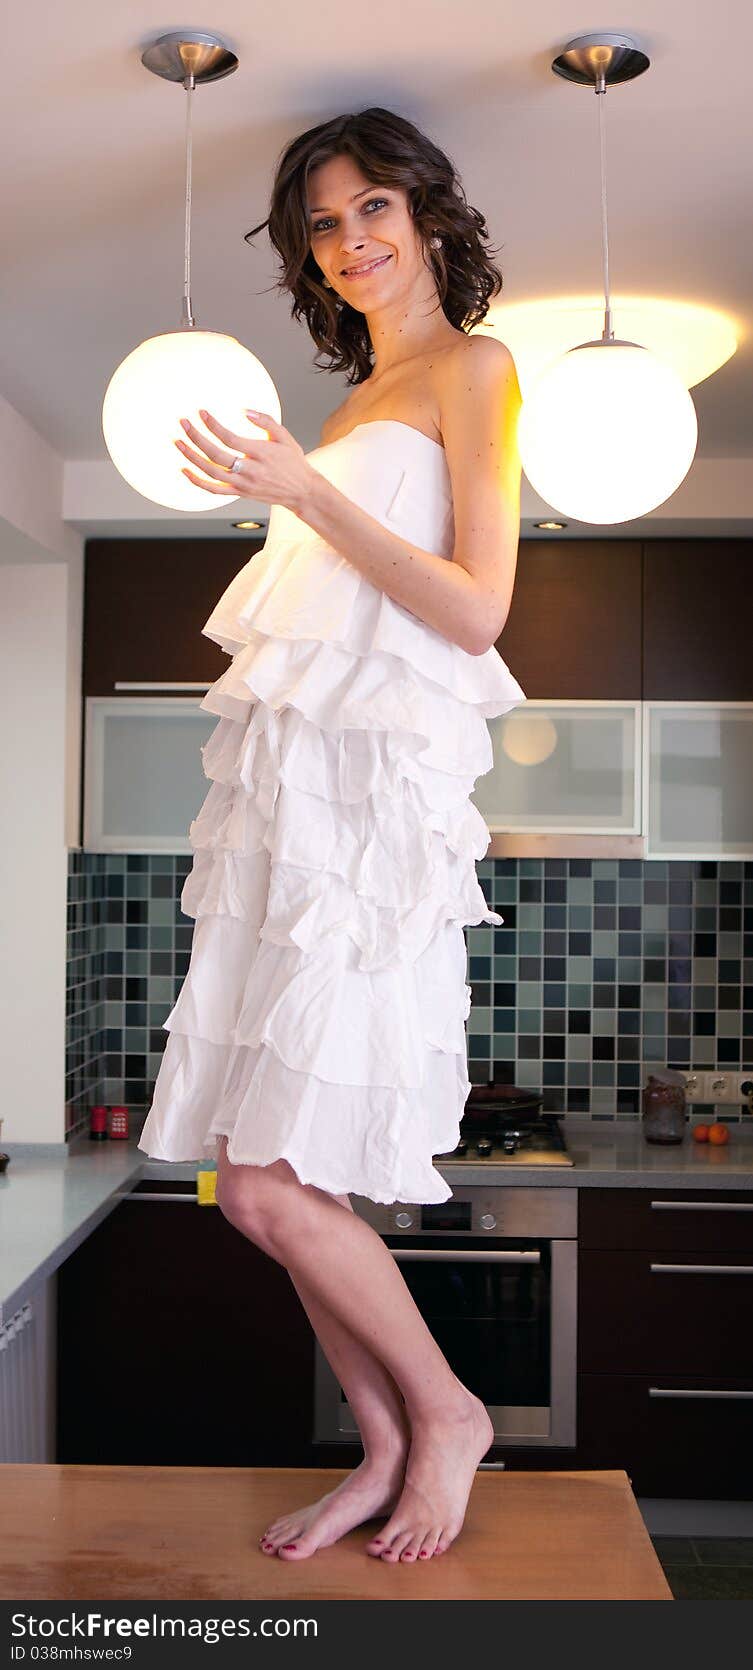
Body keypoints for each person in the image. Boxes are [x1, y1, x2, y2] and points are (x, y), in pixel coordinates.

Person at [138, 106, 526, 1563]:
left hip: (368, 833)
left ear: (426, 211)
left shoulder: (472, 369)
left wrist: (303, 489)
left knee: (260, 1186)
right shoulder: (359, 404)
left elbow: (476, 607)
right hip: (295, 820)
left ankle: (445, 1413)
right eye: (323, 222)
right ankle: (382, 1443)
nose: (352, 240)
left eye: (373, 208)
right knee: (253, 1182)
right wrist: (300, 478)